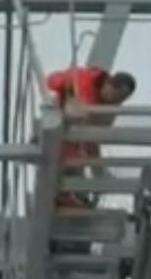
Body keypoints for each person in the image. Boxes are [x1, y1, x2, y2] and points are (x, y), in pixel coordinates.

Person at [45, 65, 136, 209]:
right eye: (115, 95)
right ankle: (67, 194)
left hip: (75, 140)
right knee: (72, 156)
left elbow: (93, 140)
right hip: (59, 126)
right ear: (109, 83)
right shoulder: (84, 80)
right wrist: (62, 84)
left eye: (119, 99)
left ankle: (76, 196)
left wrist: (98, 173)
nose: (113, 100)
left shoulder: (108, 110)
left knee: (78, 157)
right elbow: (53, 81)